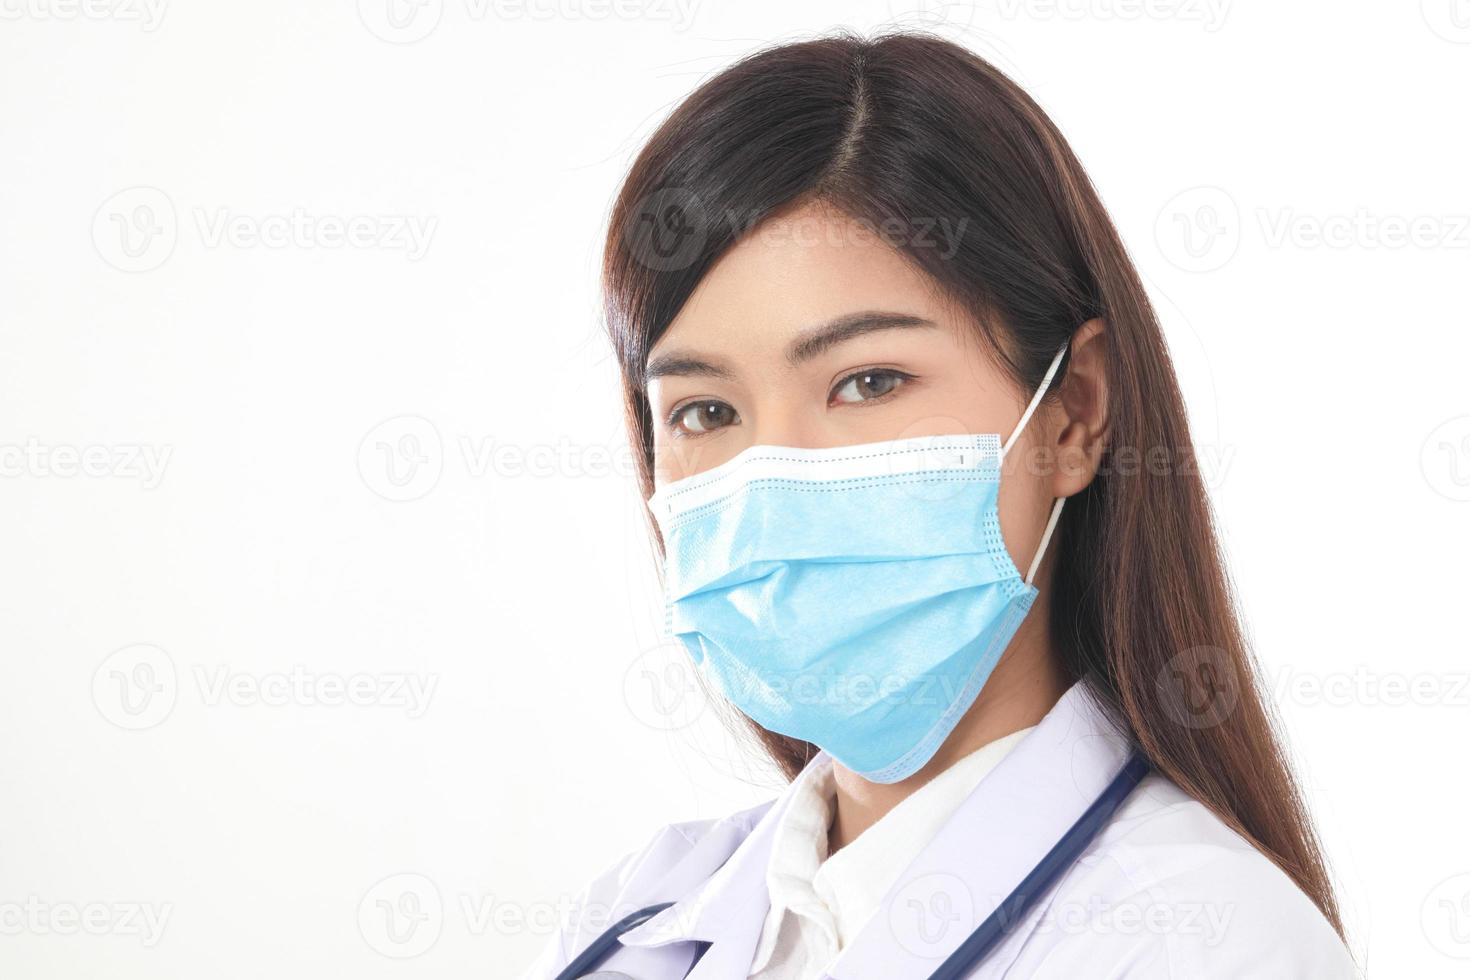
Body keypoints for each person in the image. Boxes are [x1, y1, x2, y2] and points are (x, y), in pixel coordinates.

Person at [525, 31, 1355, 979]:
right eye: (706, 411)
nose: (774, 478)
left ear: (1074, 414)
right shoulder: (627, 920)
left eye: (869, 381)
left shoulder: (1202, 940)